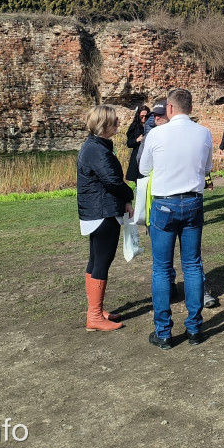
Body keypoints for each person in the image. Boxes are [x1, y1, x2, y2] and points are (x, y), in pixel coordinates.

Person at [139, 88, 213, 349]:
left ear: (169, 108)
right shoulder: (204, 133)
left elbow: (143, 168)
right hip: (192, 201)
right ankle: (194, 328)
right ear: (189, 108)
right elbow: (207, 168)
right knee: (192, 265)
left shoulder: (157, 134)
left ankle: (164, 332)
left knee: (161, 268)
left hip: (164, 204)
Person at [77, 104, 134, 331]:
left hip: (98, 210)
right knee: (101, 261)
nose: (118, 123)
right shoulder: (96, 149)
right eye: (115, 120)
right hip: (102, 212)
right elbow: (111, 181)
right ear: (103, 124)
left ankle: (97, 310)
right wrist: (129, 194)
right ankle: (94, 316)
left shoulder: (97, 146)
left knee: (96, 261)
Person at [125, 104, 150, 181]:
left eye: (146, 116)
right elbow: (129, 143)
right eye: (142, 116)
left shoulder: (151, 125)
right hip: (137, 156)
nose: (144, 118)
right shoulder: (134, 126)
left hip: (148, 155)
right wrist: (137, 140)